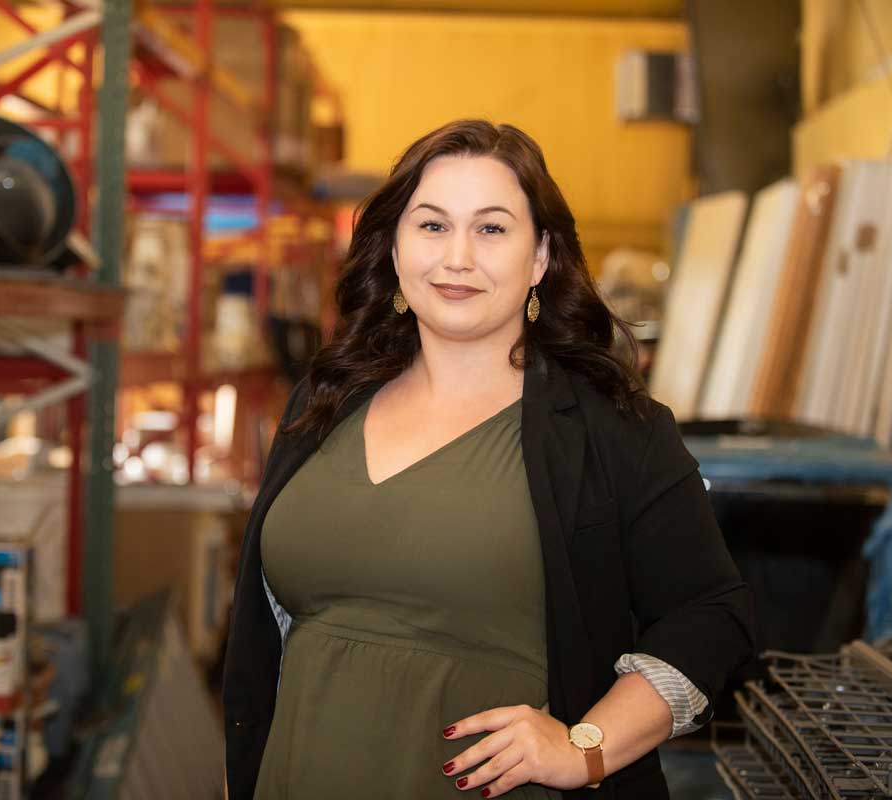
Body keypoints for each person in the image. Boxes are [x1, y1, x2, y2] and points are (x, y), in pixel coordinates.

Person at [222, 119, 755, 800]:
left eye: (493, 229)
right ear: (392, 248)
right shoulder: (325, 401)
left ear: (540, 259)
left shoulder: (610, 428)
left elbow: (712, 613)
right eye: (433, 226)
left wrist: (585, 745)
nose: (458, 258)